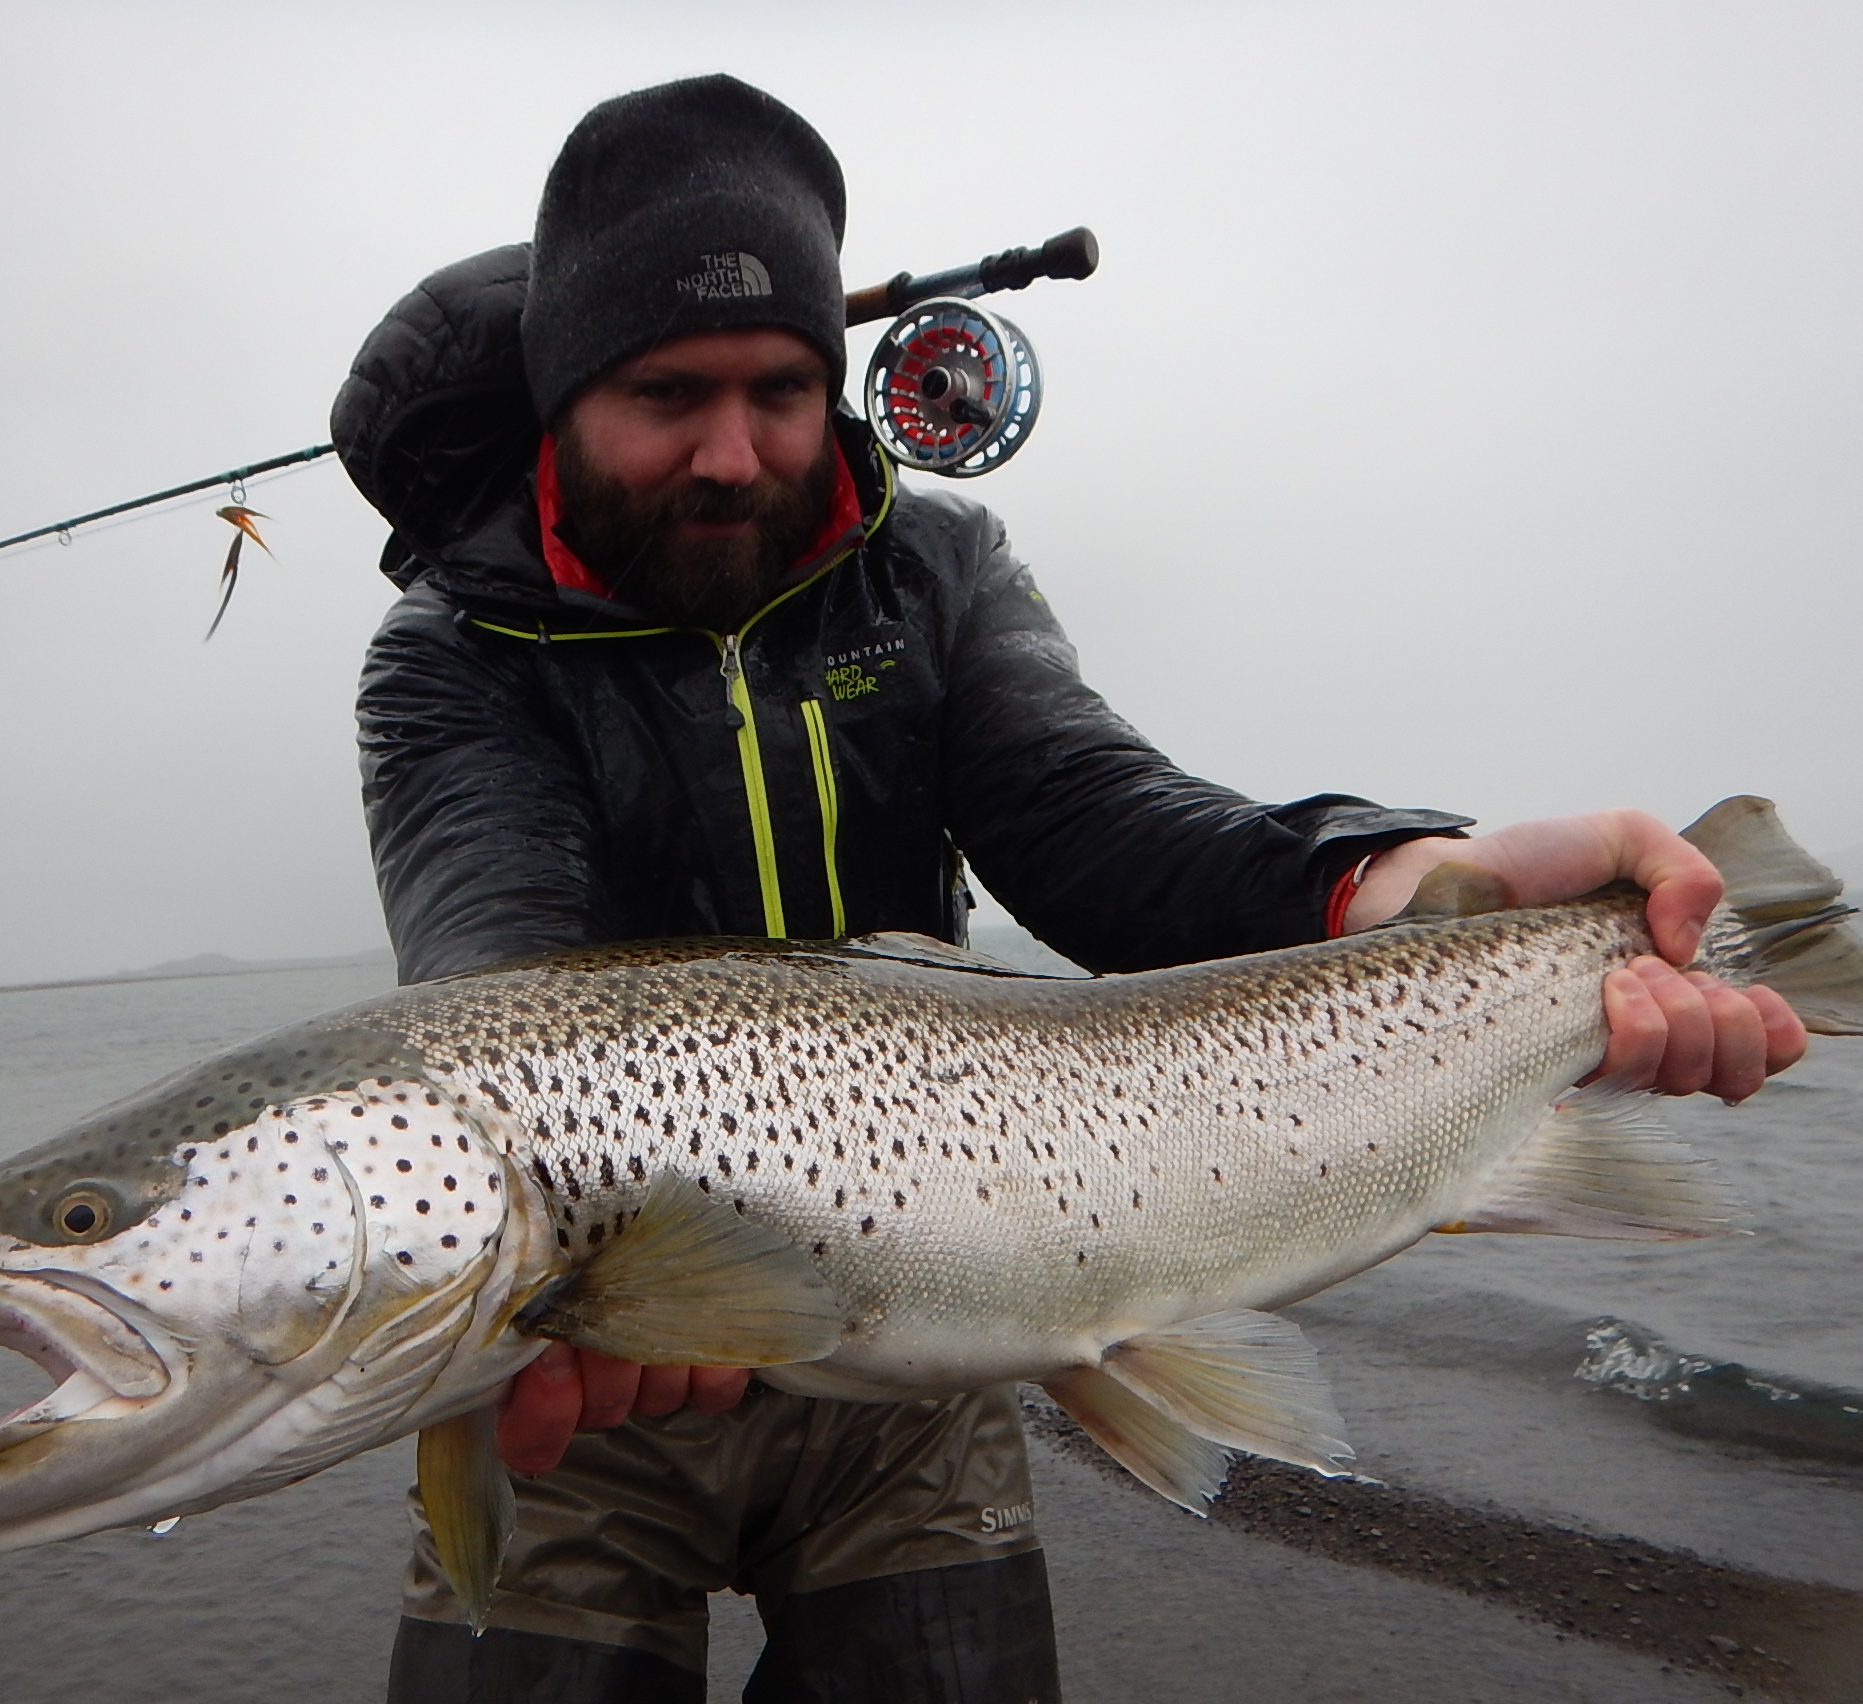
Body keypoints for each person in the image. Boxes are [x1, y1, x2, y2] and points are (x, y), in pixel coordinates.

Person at [335, 74, 1803, 1704]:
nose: (735, 454)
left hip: (947, 1323)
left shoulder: (937, 571)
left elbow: (1106, 832)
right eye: (668, 394)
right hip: (591, 1365)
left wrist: (1409, 877)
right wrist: (598, 1256)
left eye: (780, 389)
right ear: (563, 395)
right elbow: (499, 986)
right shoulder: (451, 653)